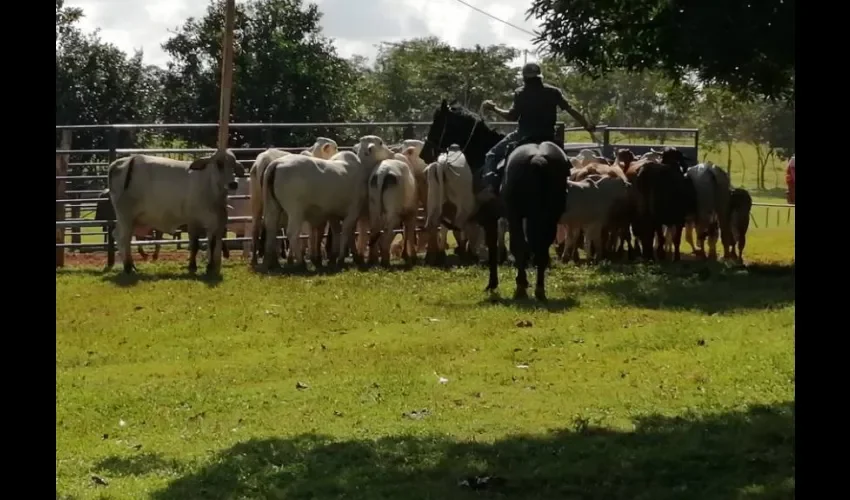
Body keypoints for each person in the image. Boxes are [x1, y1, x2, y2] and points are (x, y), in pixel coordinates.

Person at [478, 62, 596, 198]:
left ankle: (491, 187)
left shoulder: (520, 92)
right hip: (548, 136)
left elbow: (512, 116)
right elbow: (571, 110)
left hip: (523, 135)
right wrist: (586, 125)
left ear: (524, 78)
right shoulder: (553, 91)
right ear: (540, 77)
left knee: (491, 155)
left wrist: (494, 108)